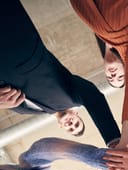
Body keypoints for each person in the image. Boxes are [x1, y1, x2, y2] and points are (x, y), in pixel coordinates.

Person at [0, 0, 120, 145]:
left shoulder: (27, 111)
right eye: (77, 124)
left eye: (70, 129)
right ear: (76, 113)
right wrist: (114, 141)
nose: (71, 125)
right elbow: (92, 96)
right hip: (14, 35)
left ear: (61, 127)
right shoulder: (71, 96)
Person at [70, 0, 128, 148]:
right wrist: (126, 139)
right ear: (127, 67)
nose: (114, 75)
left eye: (110, 78)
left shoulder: (101, 34)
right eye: (120, 76)